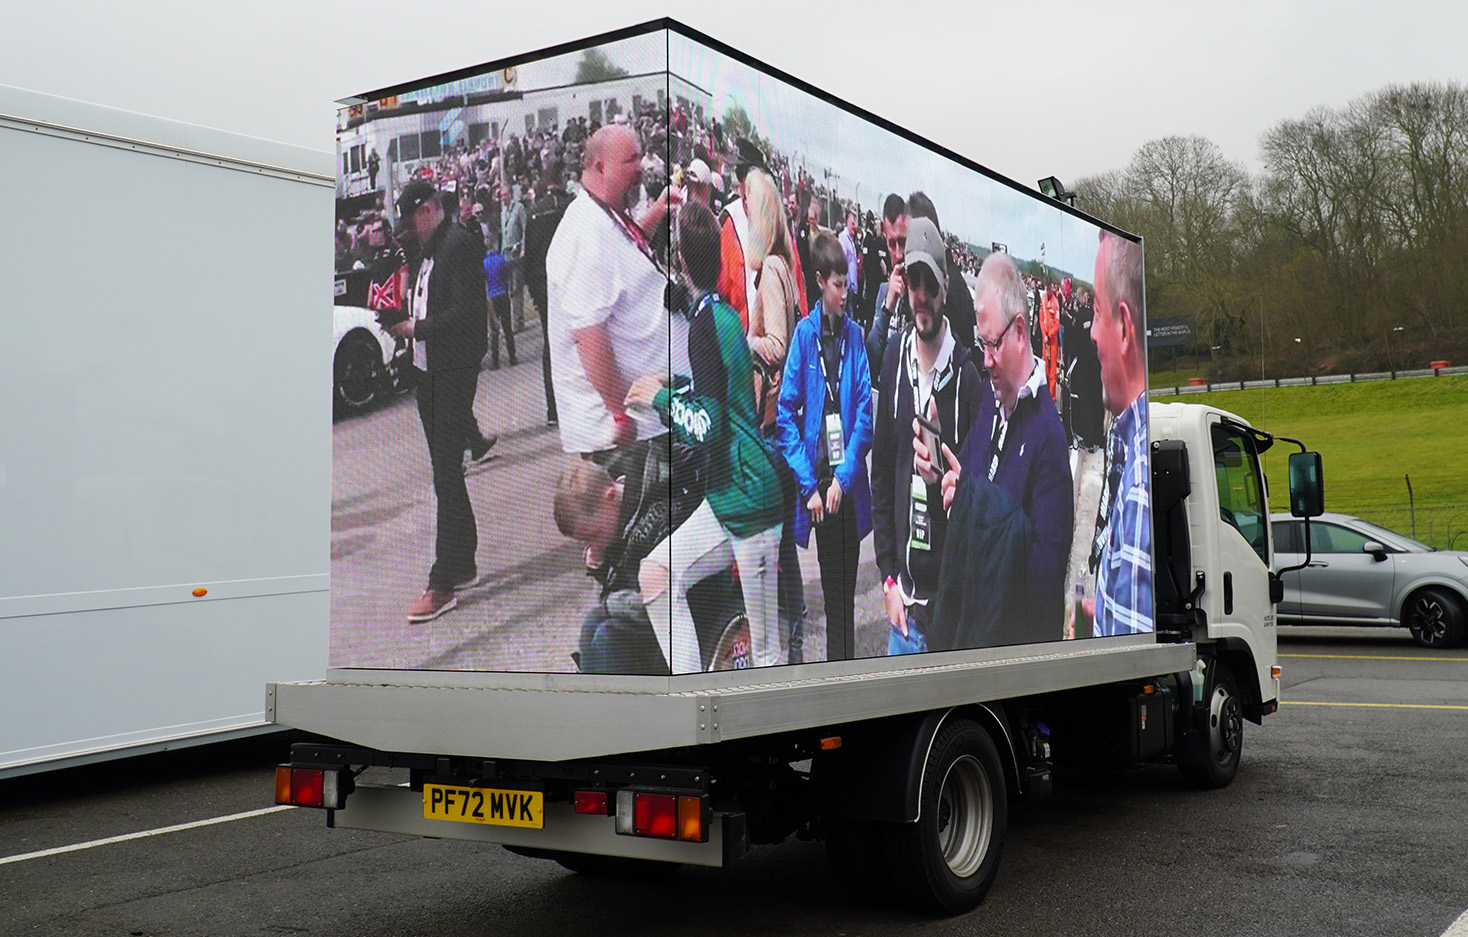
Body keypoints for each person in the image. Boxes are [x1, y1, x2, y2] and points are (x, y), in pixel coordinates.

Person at [625, 205, 785, 671]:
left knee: (767, 655)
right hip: (738, 497)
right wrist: (674, 388)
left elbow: (710, 429)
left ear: (679, 259)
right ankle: (695, 700)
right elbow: (725, 395)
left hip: (746, 503)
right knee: (655, 572)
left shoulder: (704, 325)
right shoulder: (720, 314)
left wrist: (660, 400)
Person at [931, 251, 1074, 649]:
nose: (987, 360)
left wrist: (973, 502)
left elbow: (1043, 587)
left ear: (1022, 331)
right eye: (981, 344)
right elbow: (966, 487)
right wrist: (940, 480)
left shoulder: (1049, 438)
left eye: (993, 344)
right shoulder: (988, 406)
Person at [871, 218, 983, 656]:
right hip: (902, 613)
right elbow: (881, 472)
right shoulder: (894, 361)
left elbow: (981, 500)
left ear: (945, 286)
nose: (920, 295)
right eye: (912, 281)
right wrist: (887, 579)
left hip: (949, 616)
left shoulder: (969, 380)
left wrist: (943, 483)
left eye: (929, 283)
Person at [387, 179, 492, 623]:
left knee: (445, 475)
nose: (409, 233)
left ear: (429, 210)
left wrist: (416, 329)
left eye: (412, 222)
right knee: (446, 474)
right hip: (429, 373)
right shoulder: (427, 253)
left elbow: (467, 314)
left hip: (453, 371)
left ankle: (442, 580)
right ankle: (462, 561)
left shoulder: (459, 245)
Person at [544, 123, 677, 463]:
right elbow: (589, 337)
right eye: (631, 159)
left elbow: (624, 255)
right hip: (624, 437)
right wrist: (621, 413)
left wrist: (658, 210)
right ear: (600, 167)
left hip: (646, 424)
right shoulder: (585, 230)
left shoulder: (604, 213)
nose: (642, 167)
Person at [776, 233, 873, 661]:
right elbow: (786, 417)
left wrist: (843, 479)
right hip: (818, 495)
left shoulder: (856, 337)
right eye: (837, 284)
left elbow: (865, 417)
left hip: (846, 491)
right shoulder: (803, 336)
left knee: (845, 606)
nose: (845, 293)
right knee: (831, 596)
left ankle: (845, 682)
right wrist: (810, 486)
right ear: (819, 281)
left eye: (847, 283)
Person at [1085, 230, 1152, 636]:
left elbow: (1130, 669)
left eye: (1096, 311)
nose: (1092, 332)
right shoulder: (1127, 440)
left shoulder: (1140, 487)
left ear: (1125, 328)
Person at [523, 164, 574, 425]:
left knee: (551, 344)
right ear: (561, 180)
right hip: (569, 281)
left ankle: (553, 408)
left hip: (544, 286)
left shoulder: (533, 212)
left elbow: (528, 257)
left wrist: (534, 290)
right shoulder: (570, 206)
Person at [483, 229, 516, 369]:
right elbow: (507, 275)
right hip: (503, 294)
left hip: (492, 296)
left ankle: (495, 360)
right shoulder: (501, 259)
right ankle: (512, 356)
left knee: (494, 329)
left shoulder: (484, 263)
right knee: (508, 327)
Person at [499, 183, 527, 333]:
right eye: (500, 196)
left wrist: (522, 248)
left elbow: (525, 229)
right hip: (505, 255)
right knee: (509, 291)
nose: (502, 198)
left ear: (509, 194)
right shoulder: (503, 212)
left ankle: (518, 321)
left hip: (516, 253)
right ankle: (511, 322)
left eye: (504, 195)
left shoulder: (519, 208)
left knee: (517, 289)